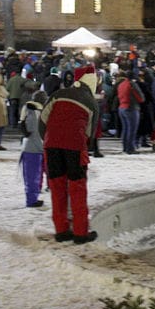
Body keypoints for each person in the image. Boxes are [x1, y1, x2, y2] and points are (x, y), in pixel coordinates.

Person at [40, 69, 99, 244]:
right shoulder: (91, 103)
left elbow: (43, 121)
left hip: (52, 147)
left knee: (57, 187)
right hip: (75, 148)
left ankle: (61, 230)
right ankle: (81, 232)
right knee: (77, 189)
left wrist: (50, 139)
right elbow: (90, 133)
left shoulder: (58, 94)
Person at [19, 90, 47, 208]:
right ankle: (31, 200)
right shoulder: (35, 112)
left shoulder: (29, 109)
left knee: (33, 176)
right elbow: (33, 130)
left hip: (31, 147)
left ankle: (32, 198)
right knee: (32, 177)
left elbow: (25, 128)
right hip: (34, 148)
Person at [115, 70, 143, 155]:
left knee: (125, 128)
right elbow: (140, 97)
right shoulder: (131, 84)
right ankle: (130, 148)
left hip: (121, 107)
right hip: (131, 108)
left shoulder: (121, 84)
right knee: (132, 129)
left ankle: (125, 147)